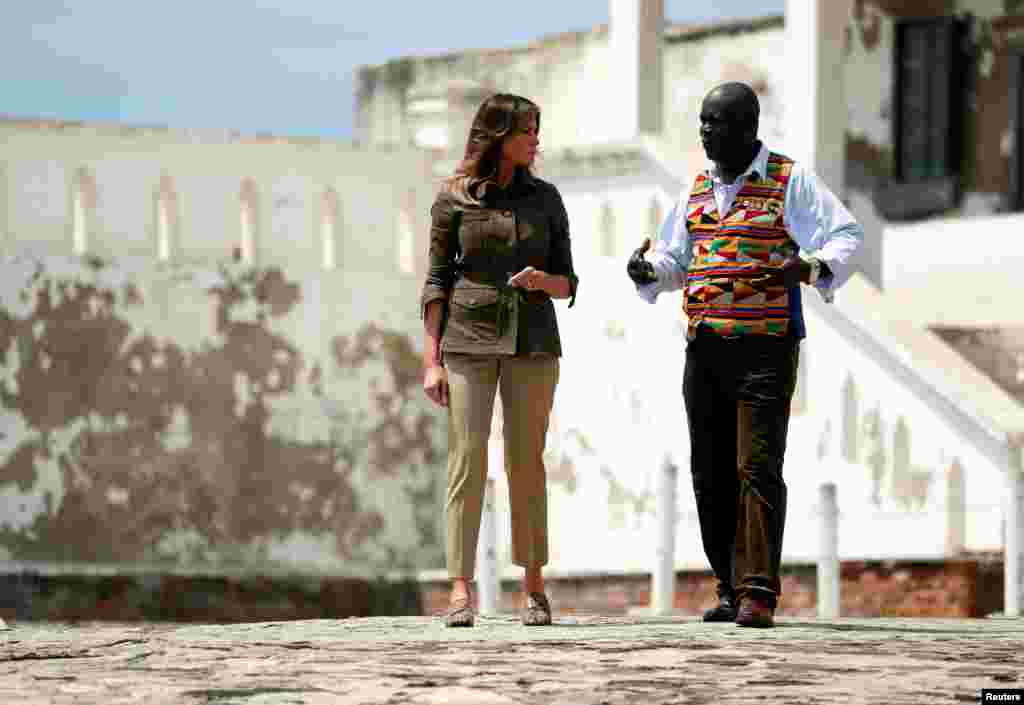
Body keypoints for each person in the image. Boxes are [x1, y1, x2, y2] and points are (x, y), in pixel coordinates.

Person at [626, 82, 863, 628]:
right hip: (705, 346)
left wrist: (810, 267)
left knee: (757, 466)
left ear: (749, 127)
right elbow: (676, 259)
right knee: (710, 472)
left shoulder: (788, 180)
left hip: (766, 347)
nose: (706, 132)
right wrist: (648, 271)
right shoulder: (697, 189)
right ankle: (730, 588)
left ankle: (758, 592)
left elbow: (846, 235)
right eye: (703, 122)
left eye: (718, 122)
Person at [420, 94, 578, 628]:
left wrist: (541, 281)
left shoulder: (547, 198)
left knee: (525, 461)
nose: (535, 139)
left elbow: (568, 282)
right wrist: (432, 361)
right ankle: (459, 589)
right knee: (467, 460)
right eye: (525, 130)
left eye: (536, 129)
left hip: (534, 341)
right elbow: (436, 281)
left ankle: (533, 585)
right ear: (497, 136)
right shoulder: (453, 198)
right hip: (467, 339)